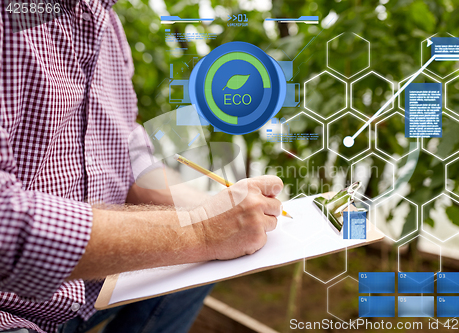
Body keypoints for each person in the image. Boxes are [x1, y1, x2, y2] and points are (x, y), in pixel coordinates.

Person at [0, 1, 283, 332]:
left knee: (208, 262)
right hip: (13, 311)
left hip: (93, 288)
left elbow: (130, 154)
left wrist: (212, 211)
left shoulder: (103, 19)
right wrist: (202, 231)